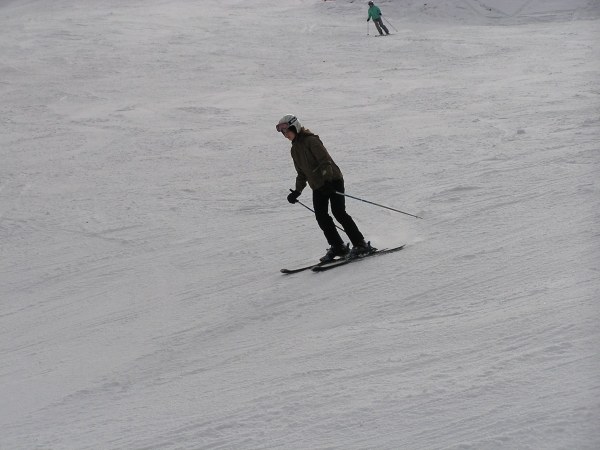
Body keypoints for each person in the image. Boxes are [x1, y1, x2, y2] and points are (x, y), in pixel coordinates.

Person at [277, 114, 370, 261]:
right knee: (321, 217)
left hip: (332, 180)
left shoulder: (311, 141)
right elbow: (302, 173)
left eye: (287, 131)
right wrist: (297, 191)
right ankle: (337, 246)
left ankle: (360, 244)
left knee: (338, 212)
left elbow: (325, 161)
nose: (285, 135)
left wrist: (328, 181)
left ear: (296, 127)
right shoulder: (294, 149)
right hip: (318, 186)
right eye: (283, 133)